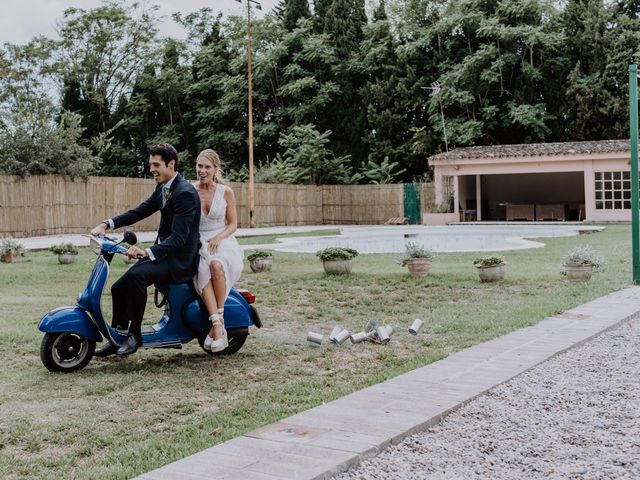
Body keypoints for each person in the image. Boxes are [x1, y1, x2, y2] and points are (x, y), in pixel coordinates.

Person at [90, 143, 201, 356]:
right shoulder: (164, 187)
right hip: (165, 255)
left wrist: (146, 252)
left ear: (171, 164)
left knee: (137, 277)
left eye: (156, 164)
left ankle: (135, 335)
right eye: (150, 164)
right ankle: (118, 336)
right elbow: (140, 211)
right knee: (118, 287)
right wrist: (107, 224)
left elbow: (178, 239)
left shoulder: (184, 193)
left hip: (179, 261)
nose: (151, 169)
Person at [194, 149, 244, 352]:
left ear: (215, 169)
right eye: (199, 166)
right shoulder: (190, 190)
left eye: (207, 167)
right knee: (201, 271)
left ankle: (217, 321)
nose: (202, 170)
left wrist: (218, 237)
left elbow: (233, 224)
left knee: (216, 265)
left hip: (221, 240)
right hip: (198, 241)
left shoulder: (226, 192)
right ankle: (218, 326)